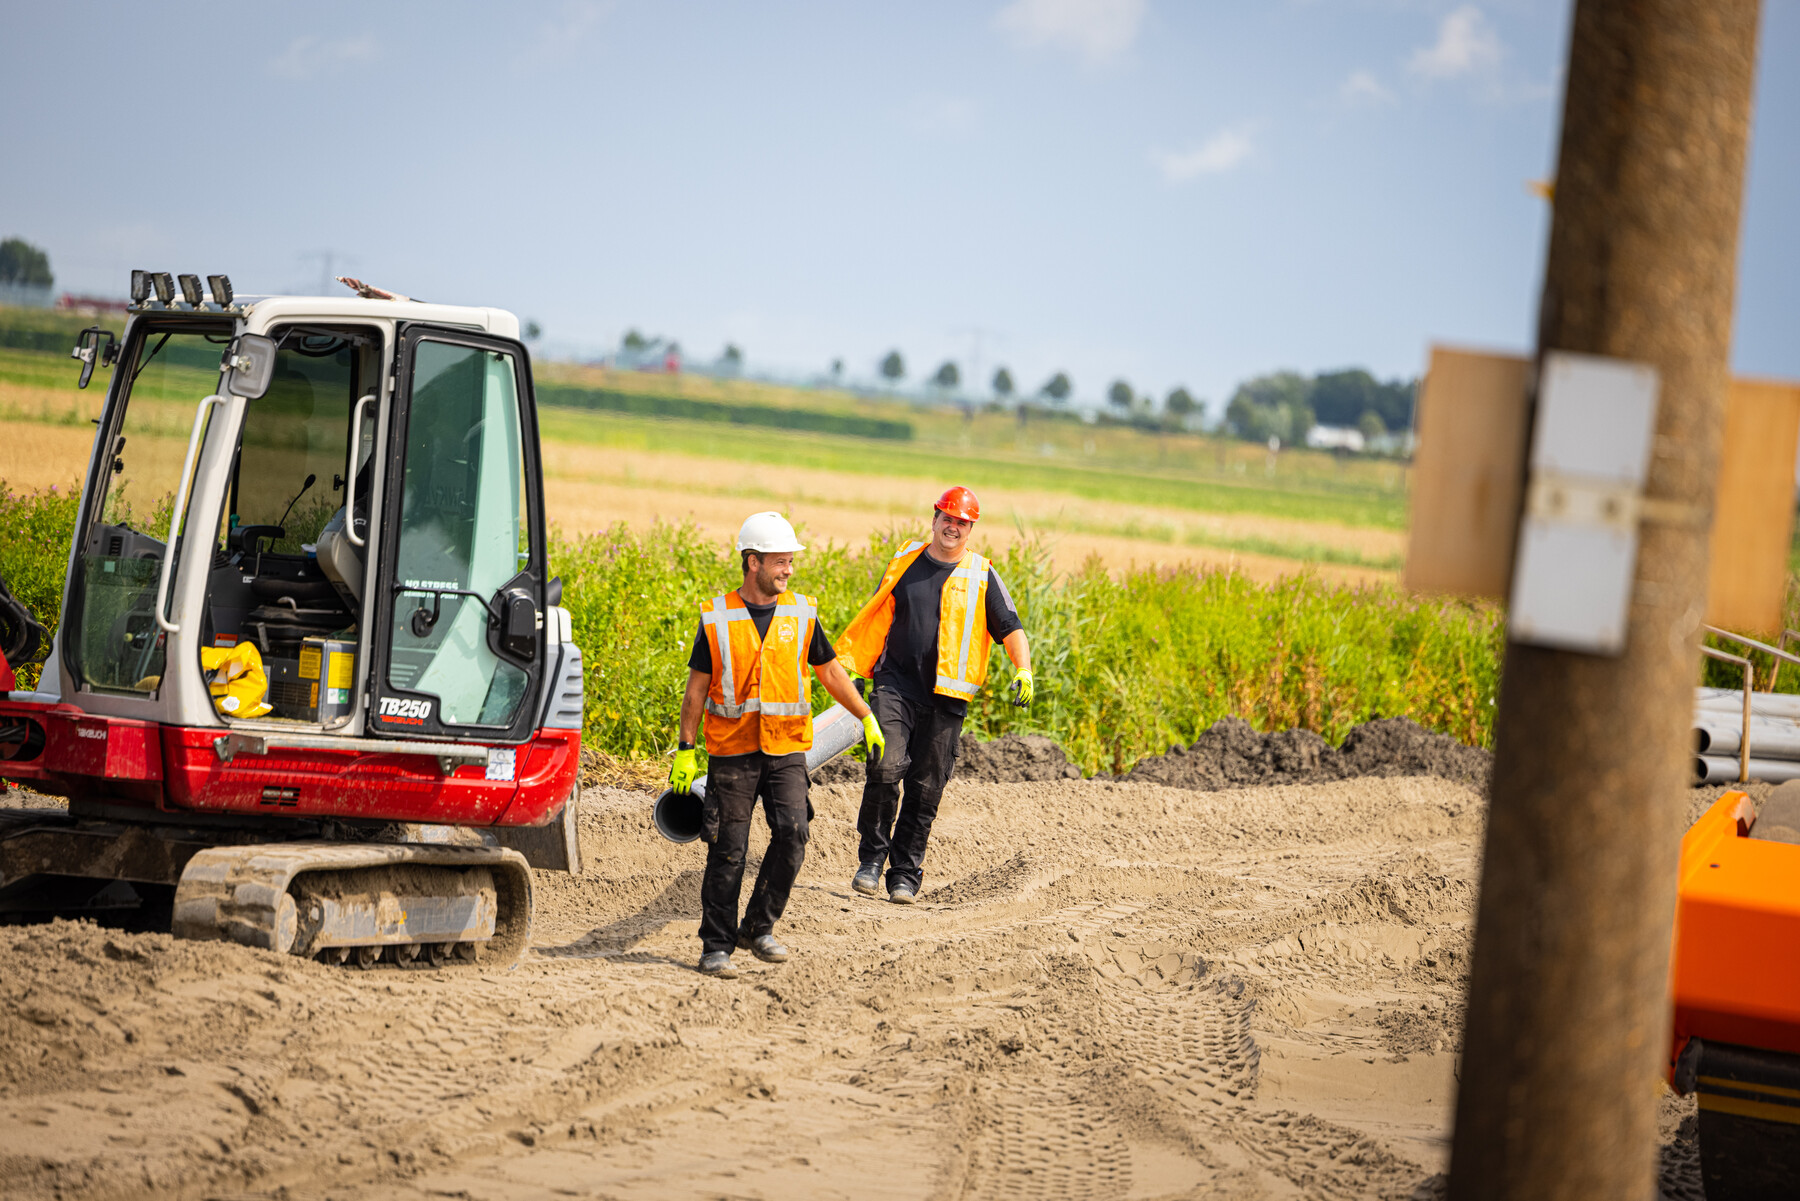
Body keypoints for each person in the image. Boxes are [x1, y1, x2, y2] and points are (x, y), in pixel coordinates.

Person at [669, 511, 885, 979]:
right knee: (729, 848)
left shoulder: (802, 612)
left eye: (790, 562)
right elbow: (696, 690)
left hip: (786, 749)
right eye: (780, 562)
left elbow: (829, 671)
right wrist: (686, 750)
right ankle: (716, 945)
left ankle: (757, 928)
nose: (788, 570)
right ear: (753, 562)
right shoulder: (717, 617)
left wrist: (865, 717)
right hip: (732, 751)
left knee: (793, 834)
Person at [835, 486, 1033, 904]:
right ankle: (871, 860)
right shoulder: (906, 559)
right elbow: (878, 613)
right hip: (894, 685)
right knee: (886, 767)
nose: (953, 527)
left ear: (971, 528)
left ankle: (904, 874)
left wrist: (1024, 670)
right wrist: (856, 670)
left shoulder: (982, 574)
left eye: (962, 522)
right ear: (935, 519)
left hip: (947, 701)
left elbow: (1012, 628)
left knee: (926, 789)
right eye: (948, 518)